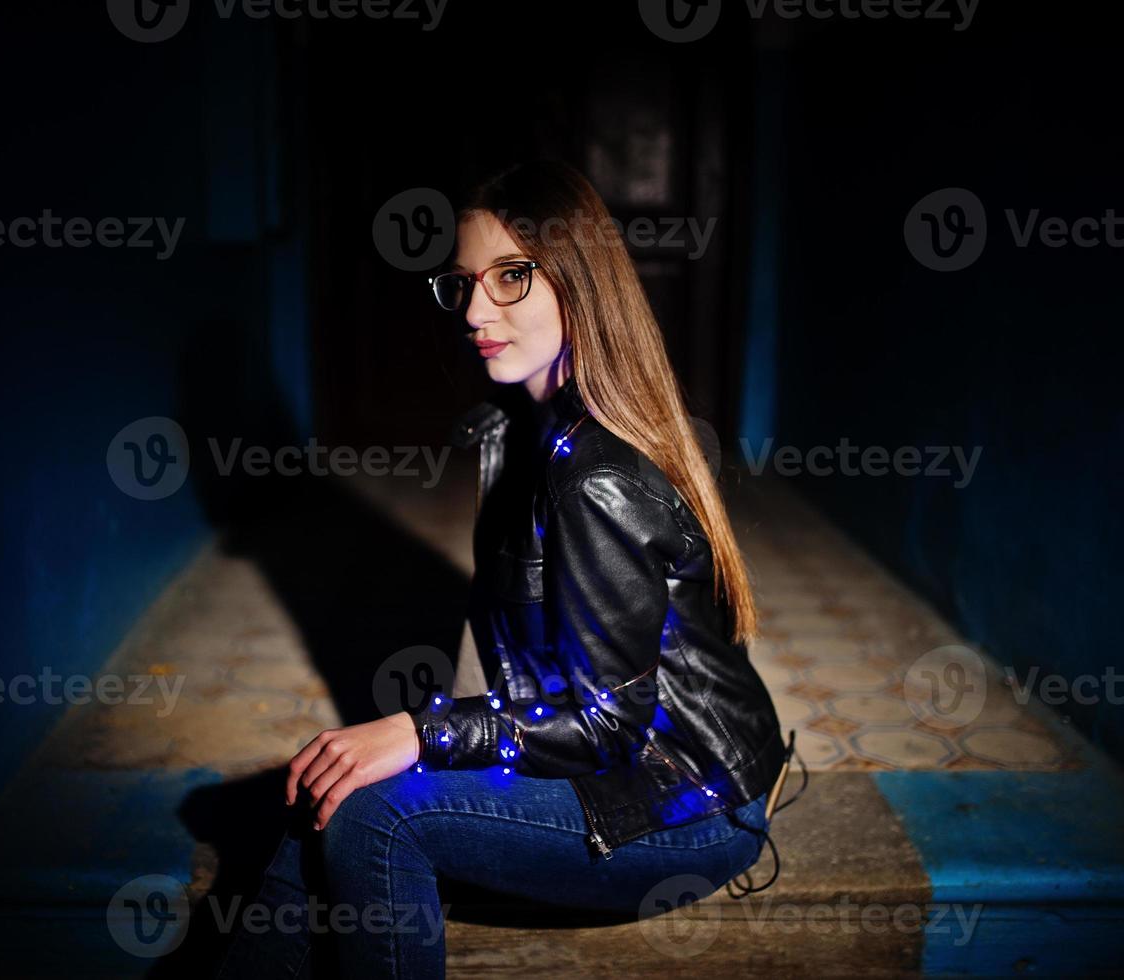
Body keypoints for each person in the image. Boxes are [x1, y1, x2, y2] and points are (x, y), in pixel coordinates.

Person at [216, 159, 788, 979]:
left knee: (377, 817)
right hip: (615, 764)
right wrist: (421, 742)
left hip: (686, 808)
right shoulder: (514, 429)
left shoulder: (594, 477)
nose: (476, 310)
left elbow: (609, 728)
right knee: (330, 787)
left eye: (511, 277)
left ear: (579, 283)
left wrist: (425, 732)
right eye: (462, 283)